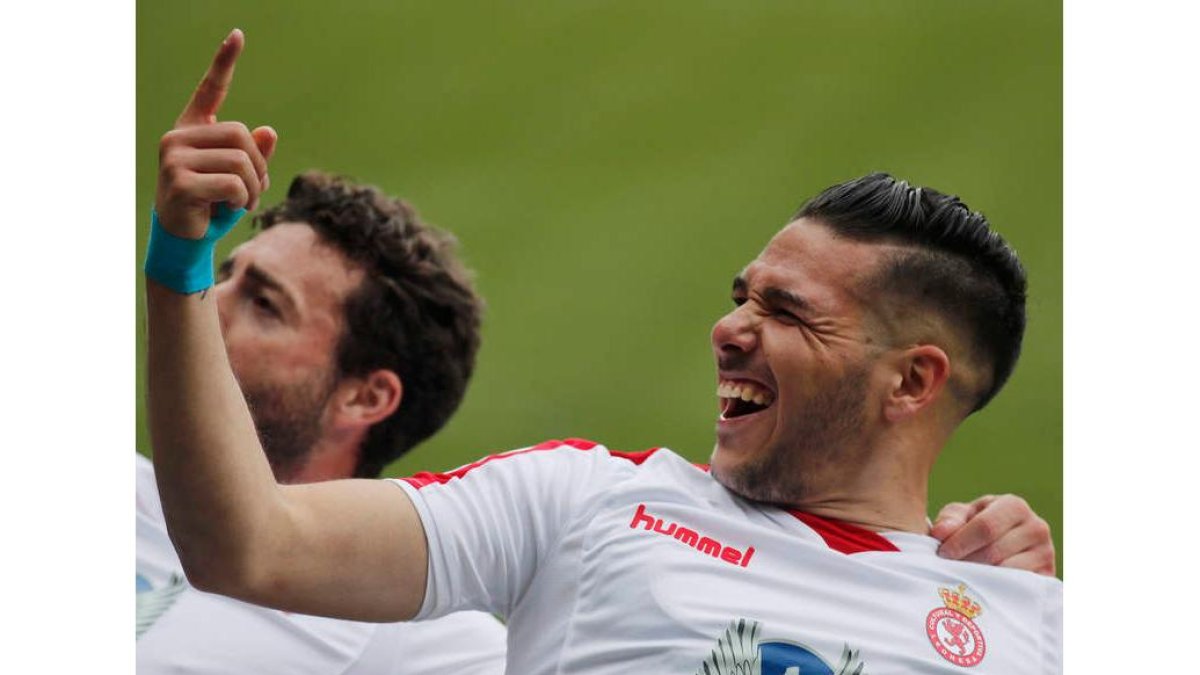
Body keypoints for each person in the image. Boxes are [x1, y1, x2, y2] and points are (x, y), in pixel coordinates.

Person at [145, 30, 1060, 673]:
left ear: (913, 380)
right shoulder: (587, 499)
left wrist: (1014, 605)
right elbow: (250, 545)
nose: (731, 329)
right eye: (740, 296)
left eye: (789, 312)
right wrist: (183, 261)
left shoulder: (1029, 623)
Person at [136, 63, 505, 671]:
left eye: (264, 304)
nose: (209, 308)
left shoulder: (418, 634)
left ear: (365, 398)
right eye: (221, 275)